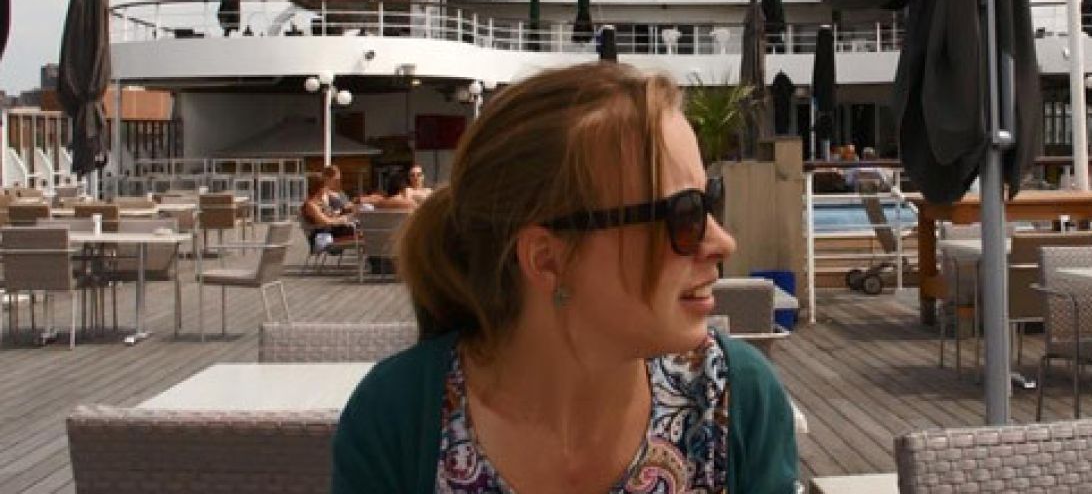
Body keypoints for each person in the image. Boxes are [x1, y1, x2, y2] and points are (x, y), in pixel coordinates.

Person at [333, 63, 798, 493]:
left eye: (709, 199)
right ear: (546, 259)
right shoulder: (399, 417)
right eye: (684, 215)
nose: (722, 242)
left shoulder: (734, 403)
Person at [300, 174, 359, 254]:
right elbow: (325, 222)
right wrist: (342, 220)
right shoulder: (310, 205)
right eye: (326, 187)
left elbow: (331, 217)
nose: (328, 190)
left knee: (367, 229)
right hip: (323, 237)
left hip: (331, 232)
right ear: (320, 188)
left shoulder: (320, 202)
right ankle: (375, 262)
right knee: (367, 232)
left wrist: (348, 216)